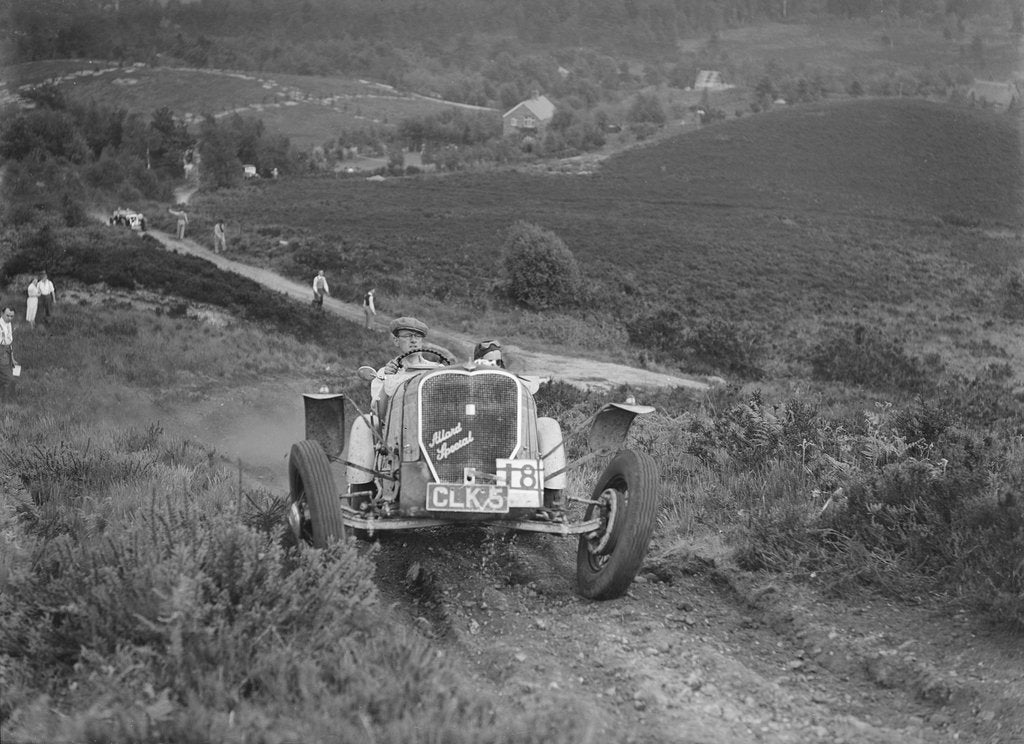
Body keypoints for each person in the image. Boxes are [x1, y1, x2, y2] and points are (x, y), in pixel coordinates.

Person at [0, 306, 19, 405]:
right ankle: (9, 404)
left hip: (7, 352)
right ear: (2, 313)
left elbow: (9, 342)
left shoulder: (9, 324)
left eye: (12, 316)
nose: (9, 318)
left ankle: (5, 403)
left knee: (7, 378)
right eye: (7, 315)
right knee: (9, 379)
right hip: (1, 353)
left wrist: (12, 357)